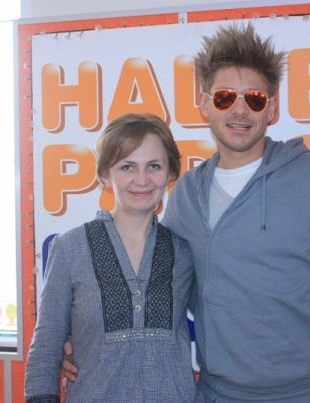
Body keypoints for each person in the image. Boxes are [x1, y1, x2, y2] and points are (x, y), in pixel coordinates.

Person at [64, 22, 310, 403]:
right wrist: (78, 338)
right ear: (204, 103)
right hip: (216, 393)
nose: (239, 110)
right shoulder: (186, 194)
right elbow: (159, 287)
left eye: (254, 98)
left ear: (272, 107)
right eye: (224, 98)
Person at [24, 113, 197, 402]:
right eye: (127, 166)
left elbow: (221, 320)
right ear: (105, 175)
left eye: (154, 166)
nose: (142, 179)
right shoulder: (70, 248)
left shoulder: (184, 251)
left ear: (170, 173)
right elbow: (46, 345)